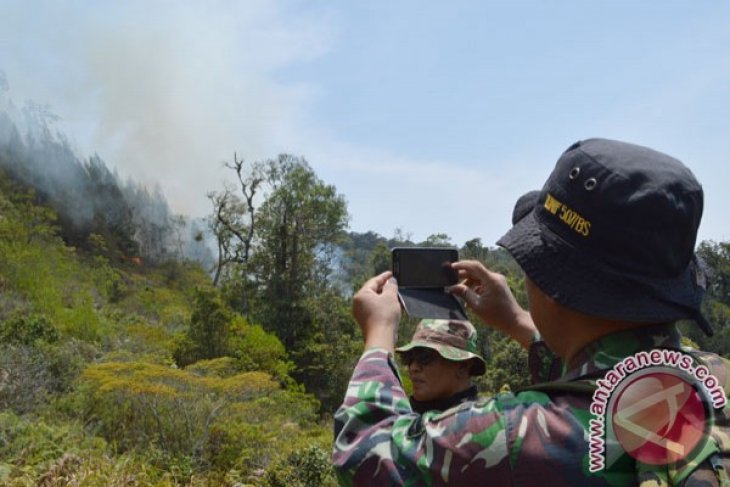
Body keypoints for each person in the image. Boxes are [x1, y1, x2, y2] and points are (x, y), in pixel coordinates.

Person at [333, 138, 730, 486]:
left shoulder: (520, 433)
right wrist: (519, 322)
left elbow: (366, 451)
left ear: (554, 286)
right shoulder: (713, 377)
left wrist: (378, 335)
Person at [395, 319, 486, 414]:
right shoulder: (403, 415)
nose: (413, 367)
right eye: (408, 358)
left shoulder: (480, 420)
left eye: (425, 357)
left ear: (462, 367)